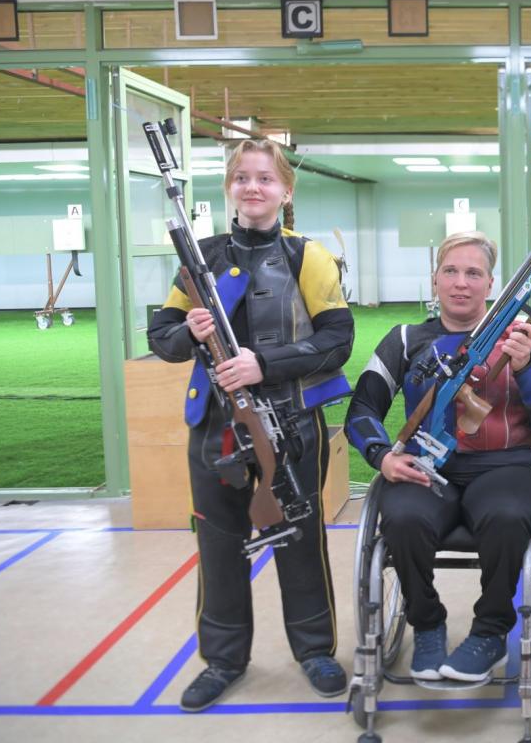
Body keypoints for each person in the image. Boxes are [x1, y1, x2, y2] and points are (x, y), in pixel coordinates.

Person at [147, 138, 354, 712]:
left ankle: (314, 650)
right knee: (218, 546)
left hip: (290, 425)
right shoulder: (200, 258)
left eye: (265, 178)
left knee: (301, 543)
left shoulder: (307, 257)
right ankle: (223, 660)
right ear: (229, 188)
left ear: (285, 191)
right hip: (213, 428)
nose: (253, 187)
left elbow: (338, 341)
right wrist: (189, 329)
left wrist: (265, 364)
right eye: (242, 178)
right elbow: (160, 339)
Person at [345, 230, 531, 682]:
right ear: (435, 280)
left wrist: (526, 366)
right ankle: (426, 624)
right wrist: (382, 457)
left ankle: (490, 632)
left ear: (491, 285)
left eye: (474, 273)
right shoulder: (405, 339)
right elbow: (363, 410)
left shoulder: (525, 337)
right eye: (451, 271)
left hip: (507, 465)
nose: (461, 283)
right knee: (404, 518)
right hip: (426, 467)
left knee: (509, 515)